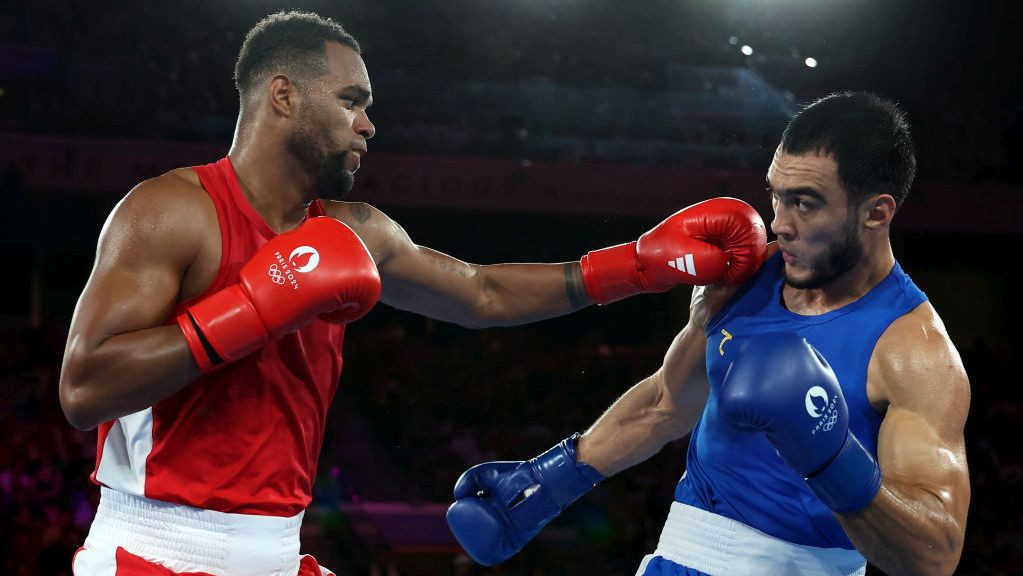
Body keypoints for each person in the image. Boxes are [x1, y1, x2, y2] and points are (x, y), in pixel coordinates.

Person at [57, 10, 768, 576]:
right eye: (350, 101)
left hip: (278, 552)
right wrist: (249, 310)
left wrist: (637, 265)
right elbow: (84, 389)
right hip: (153, 552)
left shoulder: (356, 232)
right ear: (283, 95)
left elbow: (480, 293)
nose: (368, 123)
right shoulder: (169, 211)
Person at [447, 92, 971, 576]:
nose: (780, 223)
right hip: (679, 559)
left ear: (877, 212)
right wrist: (546, 484)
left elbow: (936, 554)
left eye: (805, 203)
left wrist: (831, 457)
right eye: (777, 196)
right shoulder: (751, 275)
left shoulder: (914, 352)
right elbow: (667, 403)